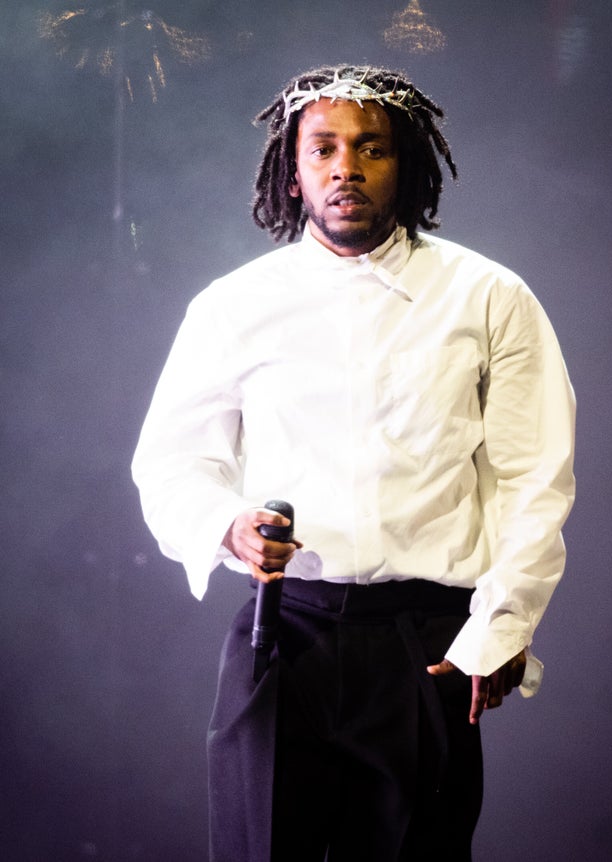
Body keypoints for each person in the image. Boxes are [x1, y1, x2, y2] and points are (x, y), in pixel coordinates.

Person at [131, 64, 576, 862]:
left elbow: (533, 479)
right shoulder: (235, 304)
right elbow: (171, 463)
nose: (346, 166)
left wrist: (502, 625)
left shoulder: (488, 297)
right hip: (284, 634)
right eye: (324, 148)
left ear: (404, 164)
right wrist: (225, 527)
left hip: (426, 639)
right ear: (294, 171)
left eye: (370, 148)